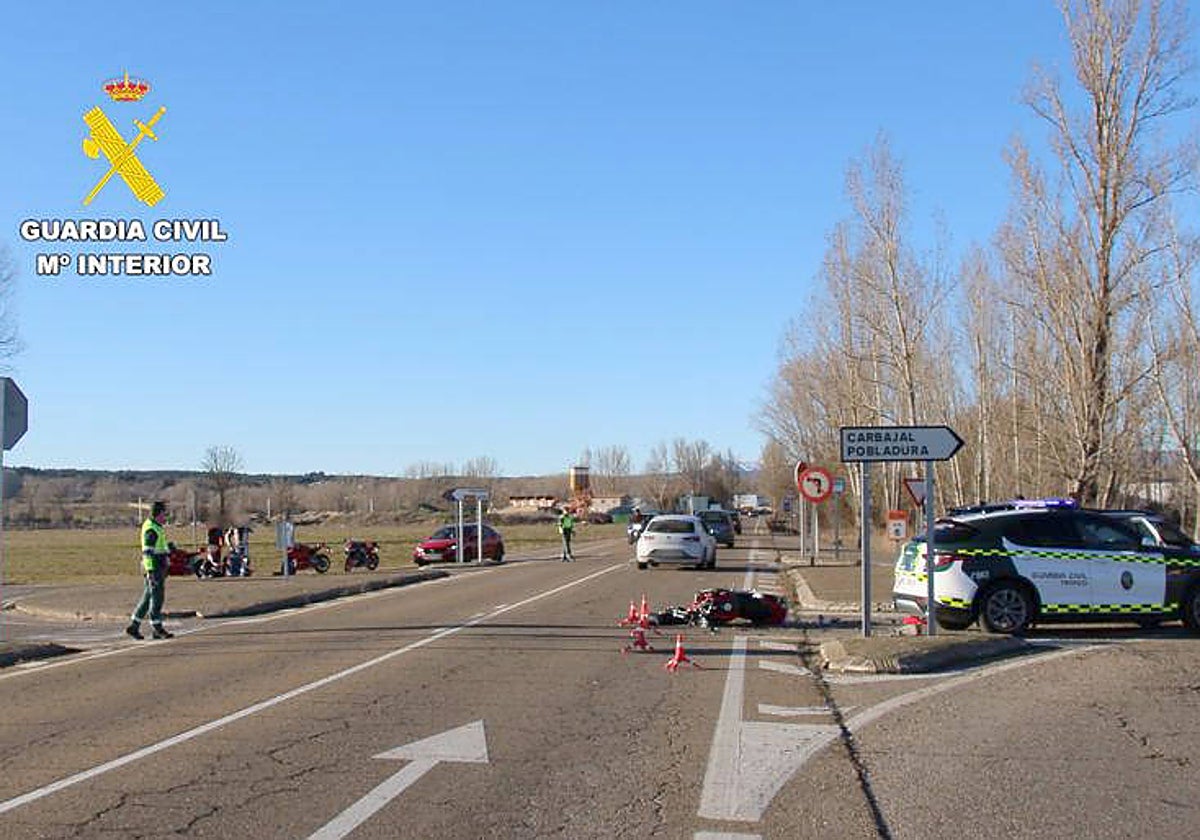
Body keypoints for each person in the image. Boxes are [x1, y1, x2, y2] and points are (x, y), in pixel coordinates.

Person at [126, 501, 174, 640]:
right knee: (157, 597)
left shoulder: (156, 527)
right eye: (165, 514)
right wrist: (151, 571)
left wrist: (168, 550)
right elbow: (147, 552)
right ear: (158, 514)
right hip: (154, 567)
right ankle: (157, 628)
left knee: (148, 597)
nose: (166, 517)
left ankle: (134, 626)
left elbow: (159, 547)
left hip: (157, 565)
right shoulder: (151, 529)